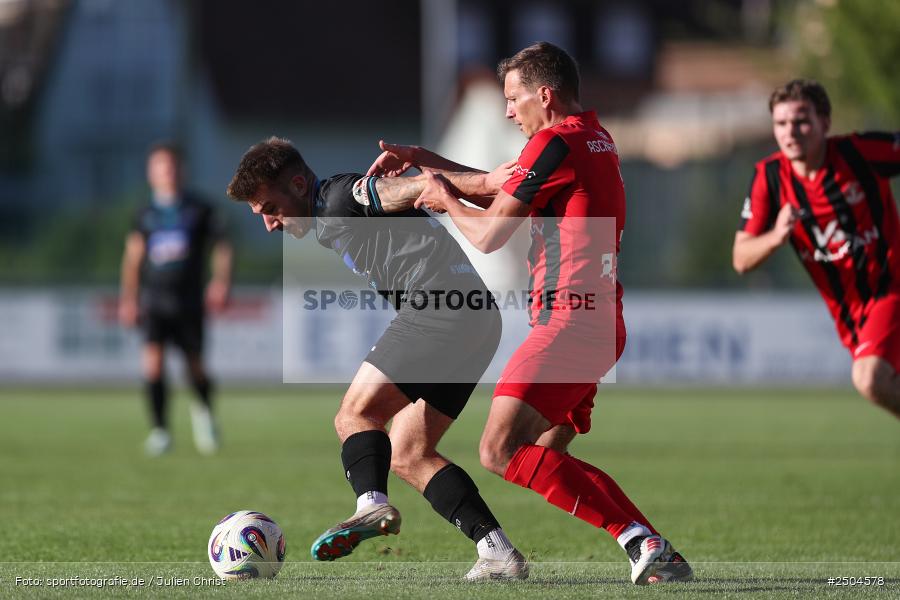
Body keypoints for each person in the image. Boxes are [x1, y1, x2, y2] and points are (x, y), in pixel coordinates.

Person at [371, 42, 692, 585]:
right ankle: (649, 547)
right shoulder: (591, 137)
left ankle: (645, 542)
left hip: (571, 321)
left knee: (498, 448)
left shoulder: (553, 143)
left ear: (544, 95)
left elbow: (491, 232)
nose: (507, 110)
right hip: (598, 319)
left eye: (513, 98)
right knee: (543, 457)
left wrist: (442, 199)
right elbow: (499, 186)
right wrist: (429, 164)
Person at [225, 136, 529, 580]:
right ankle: (497, 550)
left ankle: (371, 505)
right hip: (478, 319)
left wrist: (482, 182)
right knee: (408, 453)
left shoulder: (335, 199)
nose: (269, 223)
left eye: (270, 207)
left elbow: (407, 187)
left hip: (440, 309)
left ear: (296, 183)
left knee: (354, 415)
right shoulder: (330, 213)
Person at [733, 79, 900, 419]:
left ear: (825, 123)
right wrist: (776, 236)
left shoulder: (858, 154)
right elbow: (741, 258)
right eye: (781, 123)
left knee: (870, 378)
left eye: (801, 121)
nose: (790, 132)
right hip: (851, 316)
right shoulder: (770, 178)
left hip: (892, 289)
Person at [119, 142, 233, 456]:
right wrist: (129, 299)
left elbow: (222, 247)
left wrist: (221, 282)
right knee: (153, 367)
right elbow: (133, 258)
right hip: (155, 302)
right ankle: (160, 431)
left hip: (189, 302)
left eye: (171, 166)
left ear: (181, 170)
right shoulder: (144, 213)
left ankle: (205, 413)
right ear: (151, 172)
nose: (167, 172)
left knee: (194, 368)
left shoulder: (200, 209)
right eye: (160, 166)